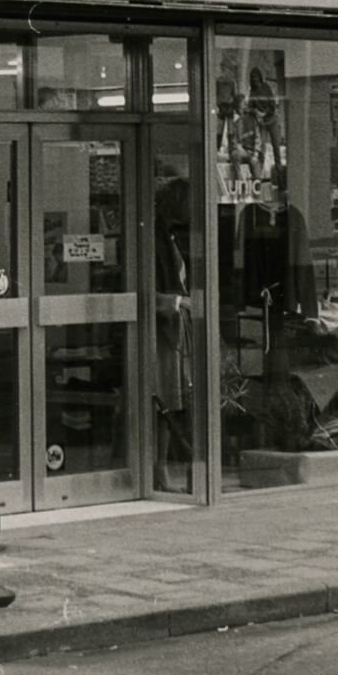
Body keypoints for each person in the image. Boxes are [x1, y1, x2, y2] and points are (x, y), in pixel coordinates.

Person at [153, 176, 193, 489]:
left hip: (173, 327)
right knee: (163, 399)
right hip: (160, 331)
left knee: (169, 399)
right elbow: (147, 290)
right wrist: (179, 301)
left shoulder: (169, 235)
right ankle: (158, 467)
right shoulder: (155, 237)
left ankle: (160, 465)